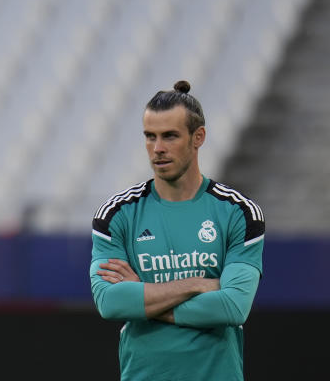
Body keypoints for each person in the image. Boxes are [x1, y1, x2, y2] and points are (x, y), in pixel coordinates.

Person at [89, 80, 264, 381]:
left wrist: (143, 298)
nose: (157, 149)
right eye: (150, 137)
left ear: (198, 137)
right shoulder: (117, 214)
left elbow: (232, 307)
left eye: (170, 136)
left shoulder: (239, 212)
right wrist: (198, 284)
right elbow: (110, 302)